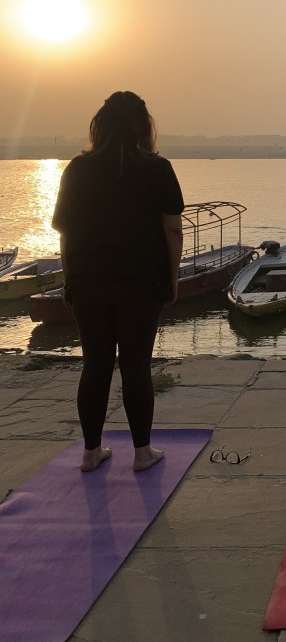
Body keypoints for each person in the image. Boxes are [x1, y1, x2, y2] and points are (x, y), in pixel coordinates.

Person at [52, 91, 185, 473]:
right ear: (144, 127)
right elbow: (172, 230)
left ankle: (90, 453)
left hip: (88, 281)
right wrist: (172, 279)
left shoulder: (78, 169)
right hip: (141, 282)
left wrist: (68, 279)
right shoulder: (158, 168)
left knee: (95, 364)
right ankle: (142, 454)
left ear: (100, 126)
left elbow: (66, 233)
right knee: (135, 366)